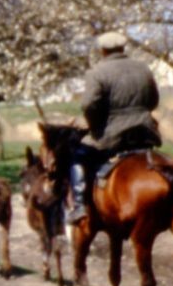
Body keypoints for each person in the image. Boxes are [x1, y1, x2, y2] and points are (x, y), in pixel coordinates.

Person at [69, 31, 161, 222]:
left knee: (77, 157)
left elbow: (89, 105)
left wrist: (93, 123)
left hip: (112, 134)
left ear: (102, 50)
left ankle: (79, 206)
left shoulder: (97, 73)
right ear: (122, 48)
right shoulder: (143, 68)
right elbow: (153, 100)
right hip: (145, 132)